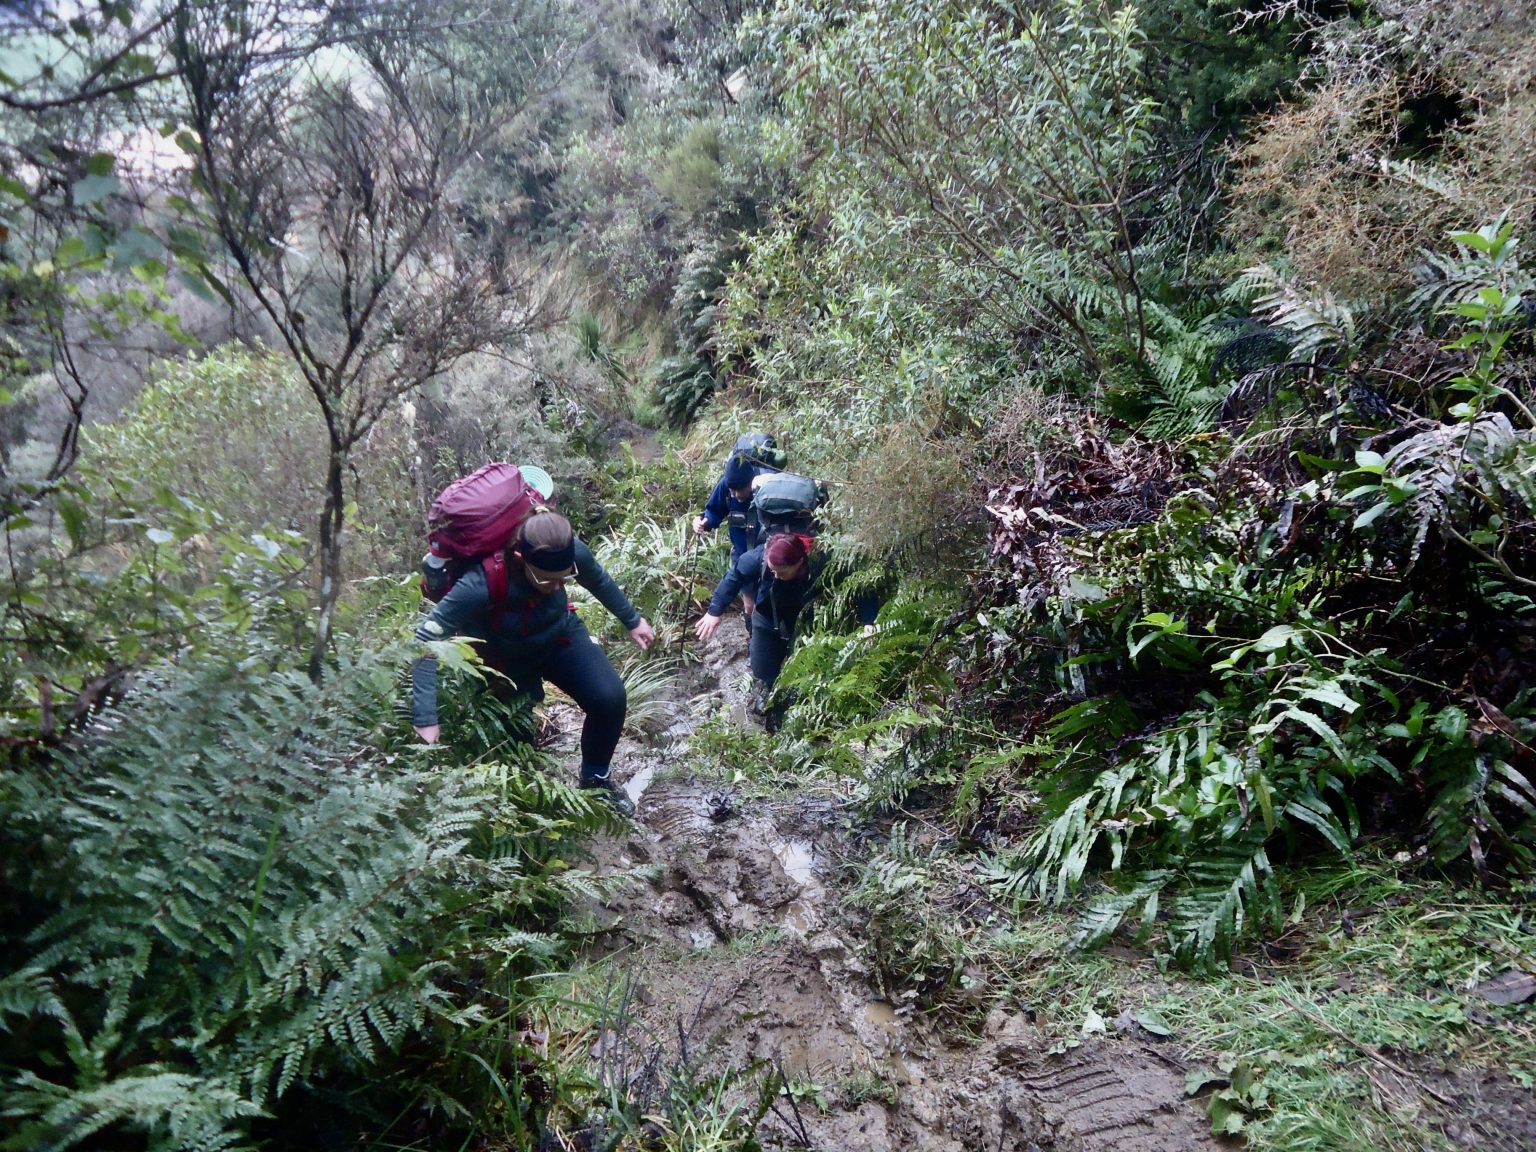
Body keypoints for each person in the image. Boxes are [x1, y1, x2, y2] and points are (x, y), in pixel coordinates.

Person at [411, 508, 654, 815]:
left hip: (559, 635)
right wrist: (425, 717)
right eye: (546, 579)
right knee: (519, 747)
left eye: (563, 579)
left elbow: (598, 579)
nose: (556, 587)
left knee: (610, 699)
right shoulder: (480, 583)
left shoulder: (570, 550)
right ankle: (530, 812)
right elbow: (425, 639)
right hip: (504, 661)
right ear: (518, 558)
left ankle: (596, 780)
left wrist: (632, 620)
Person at [693, 532, 876, 730]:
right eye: (772, 572)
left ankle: (804, 713)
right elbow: (734, 577)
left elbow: (859, 584)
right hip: (767, 618)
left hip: (807, 623)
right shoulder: (757, 559)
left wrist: (869, 620)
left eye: (782, 572)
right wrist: (714, 611)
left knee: (804, 671)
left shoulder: (822, 562)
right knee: (763, 668)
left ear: (799, 562)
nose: (776, 576)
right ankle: (773, 701)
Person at [692, 445, 777, 629]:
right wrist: (703, 522)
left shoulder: (767, 487)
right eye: (732, 491)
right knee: (749, 604)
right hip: (741, 552)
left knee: (768, 602)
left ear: (751, 482)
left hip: (767, 553)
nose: (736, 495)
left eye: (740, 490)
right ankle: (753, 641)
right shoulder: (726, 485)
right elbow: (714, 510)